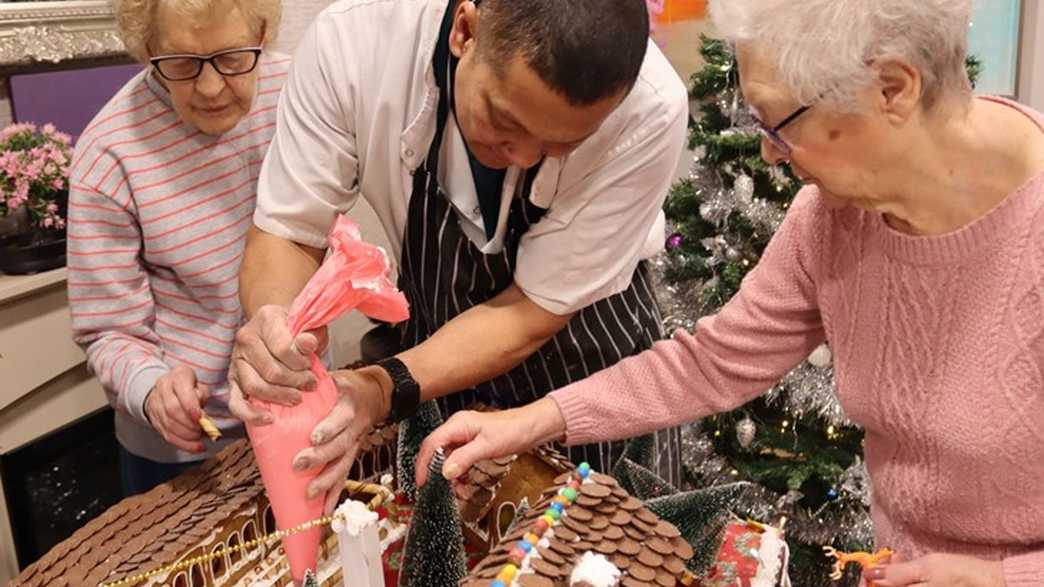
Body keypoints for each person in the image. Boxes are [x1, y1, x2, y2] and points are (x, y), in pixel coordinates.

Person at [416, 1, 1044, 585]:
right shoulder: (832, 219)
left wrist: (1000, 578)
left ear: (893, 89)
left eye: (780, 124)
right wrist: (528, 425)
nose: (770, 157)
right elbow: (712, 361)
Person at [229, 0, 689, 513]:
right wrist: (277, 328)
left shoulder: (650, 107)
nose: (526, 157)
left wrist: (382, 388)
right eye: (504, 121)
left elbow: (534, 310)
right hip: (434, 364)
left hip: (587, 363)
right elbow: (290, 231)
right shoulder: (354, 46)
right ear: (466, 30)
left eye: (562, 144)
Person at [68, 0, 288, 496]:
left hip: (295, 410)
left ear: (262, 32)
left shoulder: (296, 93)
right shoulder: (108, 155)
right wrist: (152, 390)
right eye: (181, 65)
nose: (210, 88)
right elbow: (107, 329)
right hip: (182, 452)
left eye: (233, 58)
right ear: (147, 49)